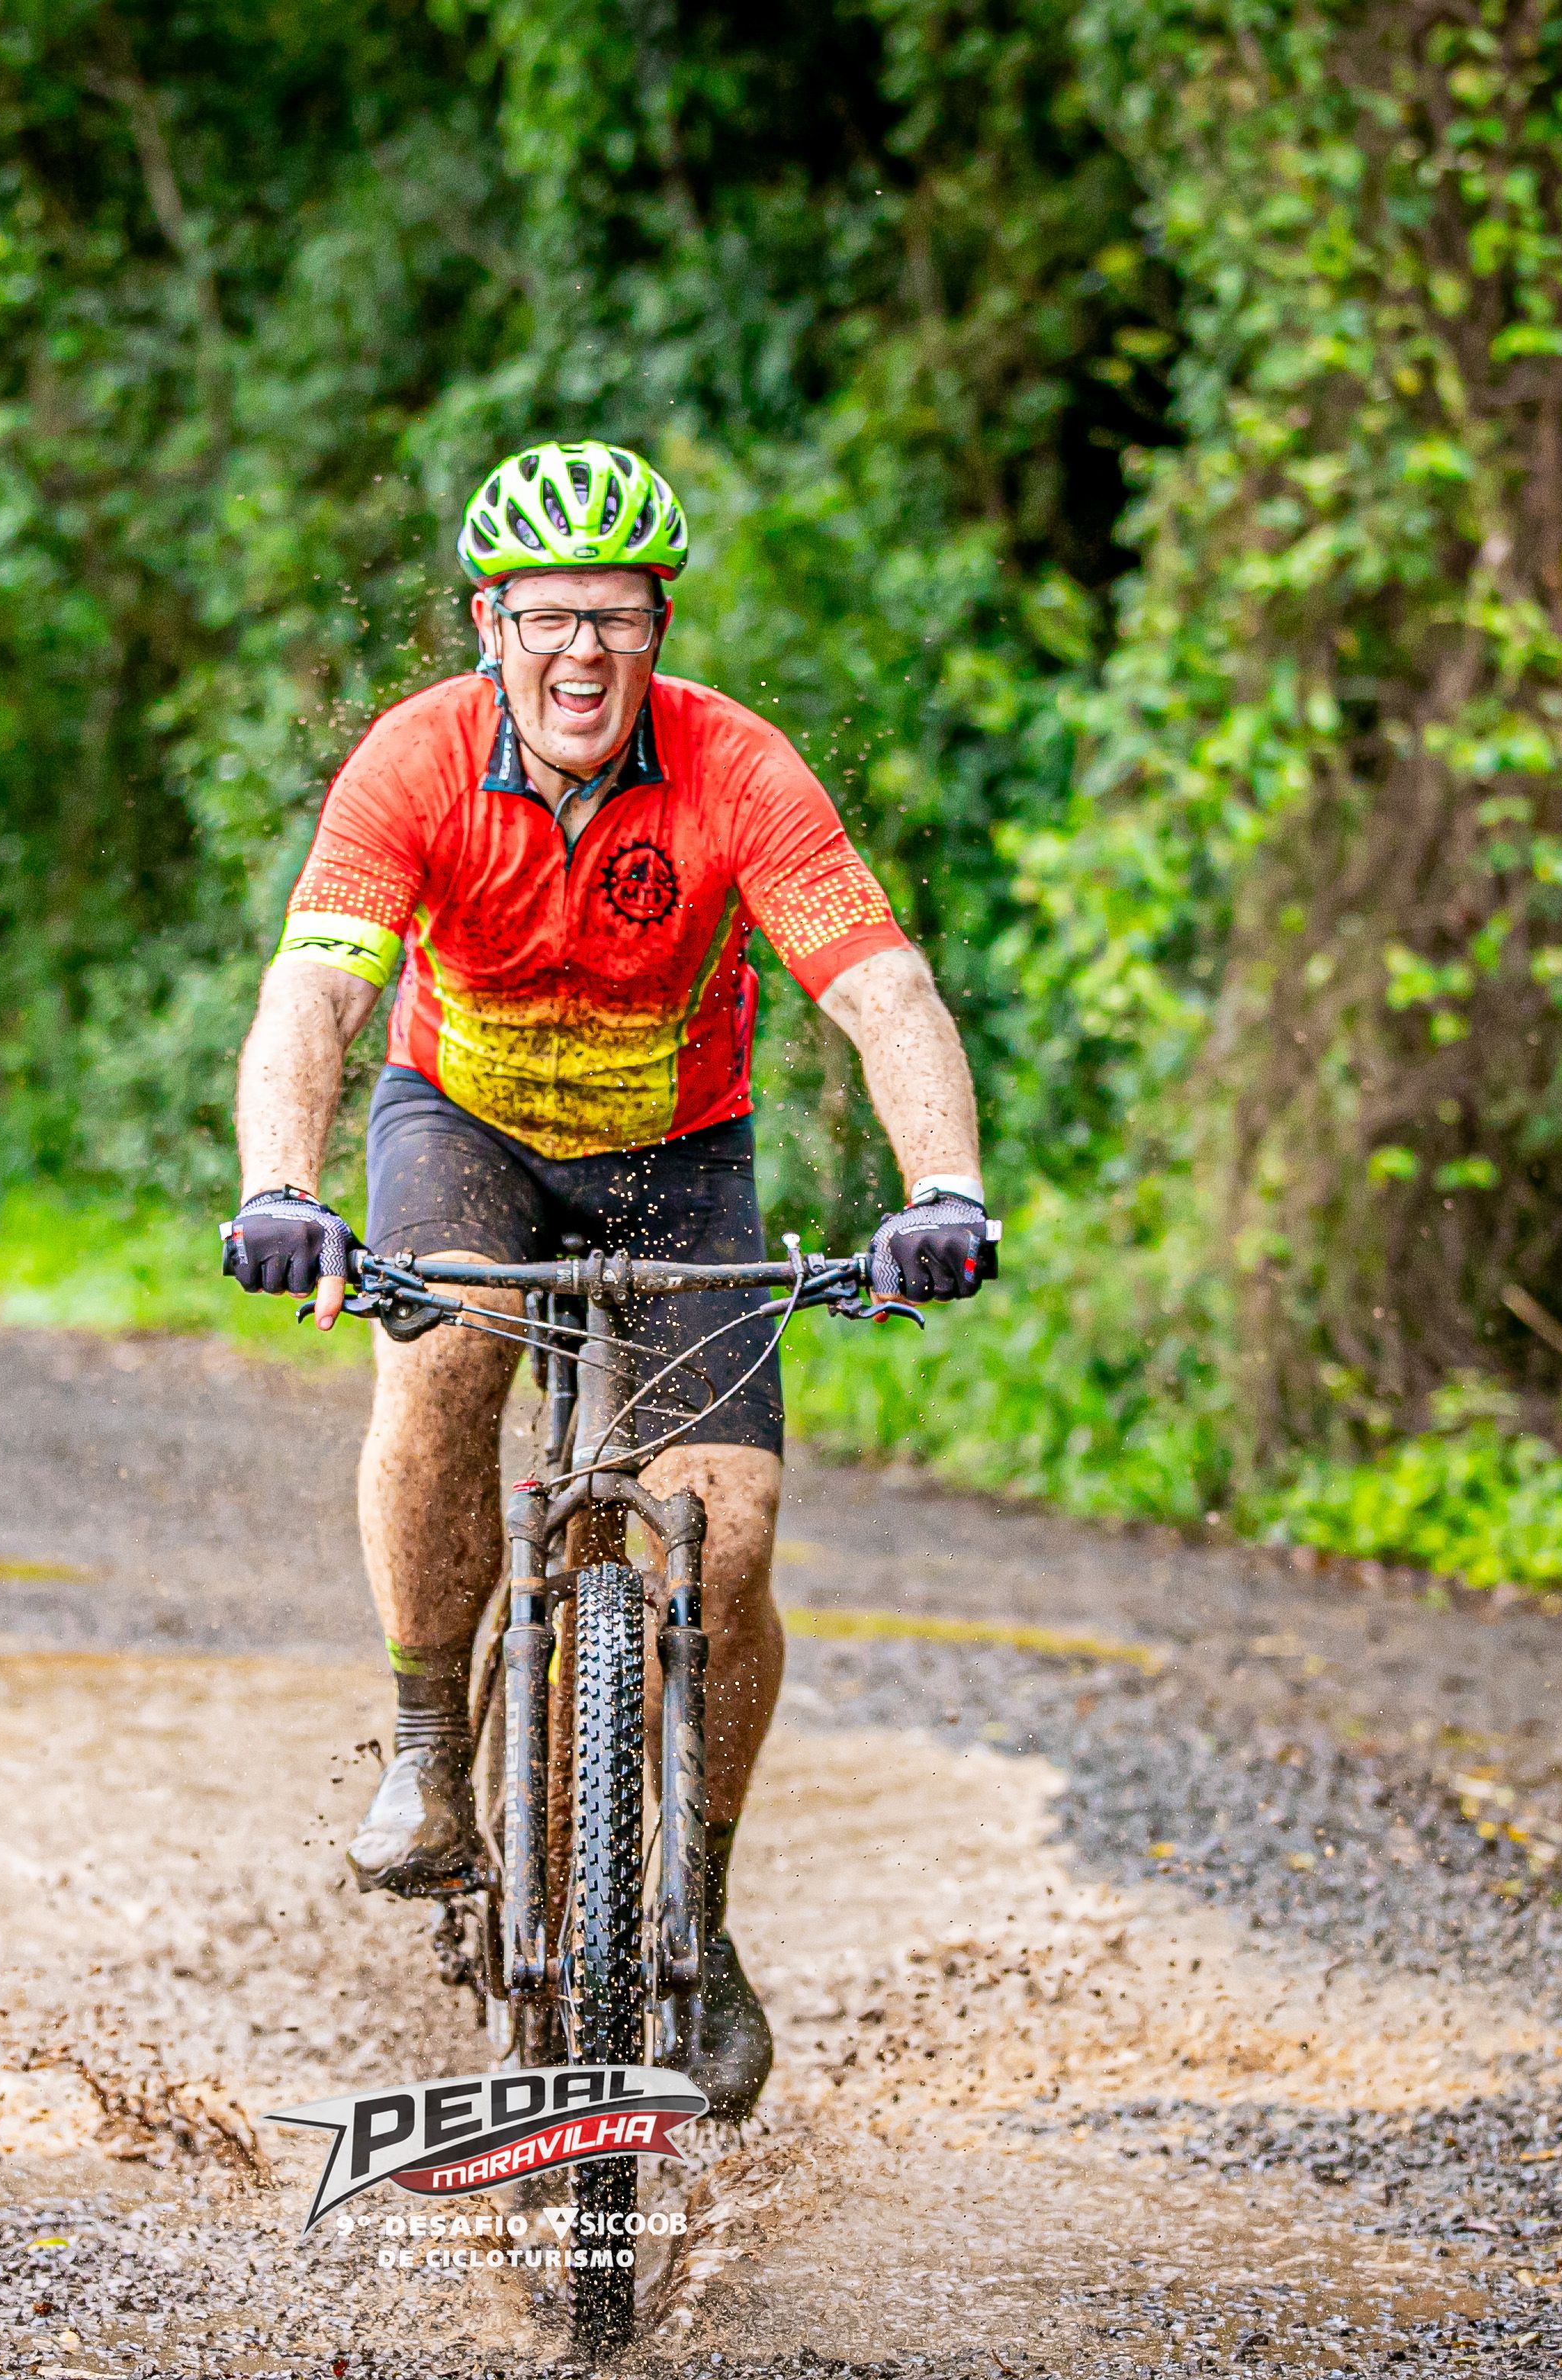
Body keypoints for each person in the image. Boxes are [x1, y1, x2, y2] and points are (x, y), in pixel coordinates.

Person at [220, 440, 995, 2125]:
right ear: (489, 625)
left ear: (661, 627)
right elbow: (315, 993)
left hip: (679, 1152)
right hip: (466, 1127)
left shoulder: (737, 766)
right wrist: (280, 1188)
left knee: (735, 1529)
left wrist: (945, 1188)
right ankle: (431, 1751)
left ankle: (695, 1911)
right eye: (550, 617)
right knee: (441, 1364)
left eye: (621, 618)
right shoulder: (417, 759)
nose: (585, 652)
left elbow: (882, 988)